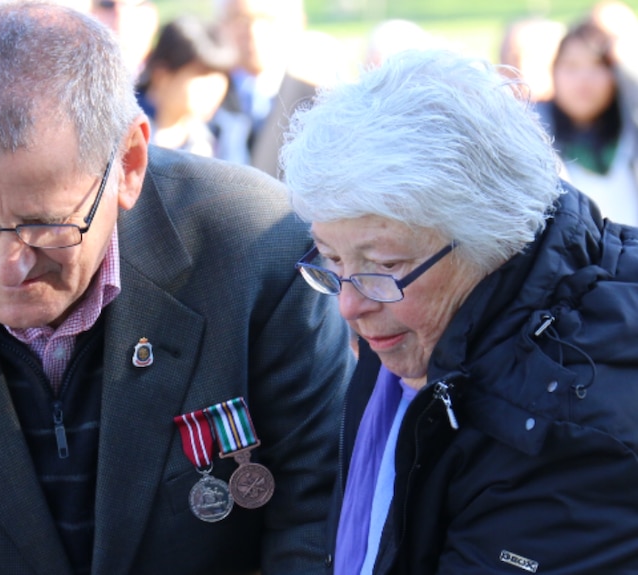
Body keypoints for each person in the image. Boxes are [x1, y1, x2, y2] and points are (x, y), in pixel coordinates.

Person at [0, 1, 353, 574]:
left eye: (45, 224)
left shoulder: (260, 250)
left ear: (128, 164)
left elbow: (317, 515)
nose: (9, 265)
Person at [280, 48, 638, 573]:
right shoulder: (418, 321)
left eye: (383, 264)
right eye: (331, 259)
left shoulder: (574, 425)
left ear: (487, 238)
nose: (349, 305)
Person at [211, 0, 347, 178]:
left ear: (297, 24)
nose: (253, 32)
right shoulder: (199, 102)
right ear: (220, 25)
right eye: (241, 20)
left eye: (267, 19)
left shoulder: (321, 109)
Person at [535, 21, 638, 226]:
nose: (584, 79)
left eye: (597, 66)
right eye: (571, 66)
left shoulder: (630, 134)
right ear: (553, 72)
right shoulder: (534, 135)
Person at [136, 15, 236, 157]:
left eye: (222, 76)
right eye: (203, 75)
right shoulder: (121, 122)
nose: (214, 89)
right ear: (162, 75)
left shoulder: (220, 137)